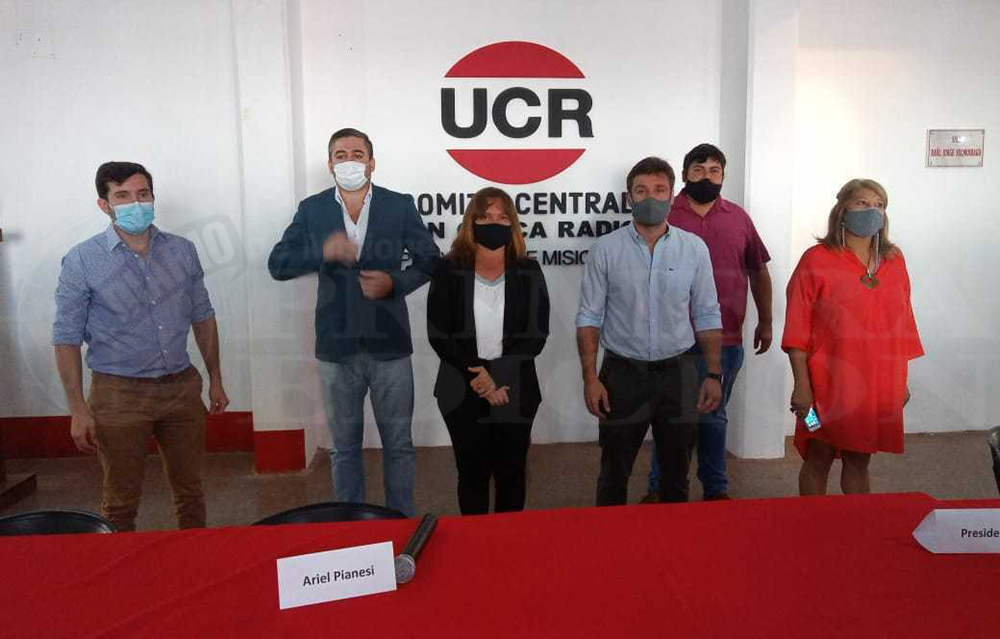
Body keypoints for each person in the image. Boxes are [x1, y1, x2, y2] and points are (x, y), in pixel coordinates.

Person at [268, 128, 439, 517]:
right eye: (341, 155)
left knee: (399, 445)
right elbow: (277, 264)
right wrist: (321, 251)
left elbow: (431, 260)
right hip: (336, 347)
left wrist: (395, 283)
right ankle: (350, 527)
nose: (349, 161)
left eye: (357, 154)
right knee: (344, 448)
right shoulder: (312, 209)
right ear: (330, 165)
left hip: (390, 344)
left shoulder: (399, 205)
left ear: (371, 163)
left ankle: (400, 522)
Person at [53, 161, 229, 532]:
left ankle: (196, 556)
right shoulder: (83, 260)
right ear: (105, 205)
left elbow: (203, 315)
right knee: (121, 500)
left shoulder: (182, 251)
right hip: (118, 394)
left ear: (152, 197)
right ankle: (121, 565)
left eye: (143, 194)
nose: (136, 203)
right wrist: (77, 408)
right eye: (123, 196)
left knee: (191, 492)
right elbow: (66, 337)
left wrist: (215, 378)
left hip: (181, 389)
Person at [576, 156, 723, 506]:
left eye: (659, 190)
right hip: (622, 374)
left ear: (672, 196)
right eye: (641, 191)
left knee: (676, 473)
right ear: (629, 198)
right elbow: (589, 317)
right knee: (614, 471)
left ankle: (672, 538)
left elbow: (706, 313)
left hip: (679, 372)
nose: (651, 198)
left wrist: (713, 373)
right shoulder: (606, 249)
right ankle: (610, 537)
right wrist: (590, 378)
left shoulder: (694, 249)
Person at [643, 143, 772, 502]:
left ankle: (716, 489)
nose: (706, 177)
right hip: (672, 337)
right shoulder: (666, 213)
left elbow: (758, 270)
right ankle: (659, 488)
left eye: (715, 171)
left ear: (723, 176)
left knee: (713, 416)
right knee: (669, 418)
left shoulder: (738, 218)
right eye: (698, 170)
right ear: (685, 174)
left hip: (725, 337)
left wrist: (766, 320)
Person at [782, 178, 922, 495]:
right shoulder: (816, 259)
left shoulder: (894, 260)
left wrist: (900, 382)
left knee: (859, 458)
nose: (872, 210)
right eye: (862, 202)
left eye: (879, 205)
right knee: (818, 454)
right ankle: (811, 521)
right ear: (842, 210)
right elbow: (796, 328)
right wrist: (801, 386)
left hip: (875, 384)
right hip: (822, 386)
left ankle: (857, 521)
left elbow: (903, 326)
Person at [427, 187, 550, 515]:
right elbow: (439, 334)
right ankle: (475, 541)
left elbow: (536, 334)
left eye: (502, 217)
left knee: (512, 474)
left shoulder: (528, 270)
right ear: (472, 221)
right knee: (471, 474)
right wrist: (480, 377)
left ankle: (508, 542)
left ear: (512, 224)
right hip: (460, 388)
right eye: (485, 216)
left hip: (515, 387)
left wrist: (497, 375)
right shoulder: (447, 269)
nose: (493, 223)